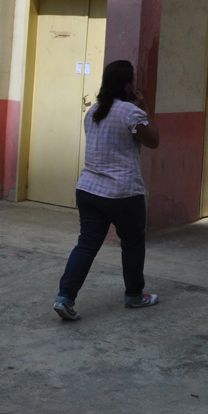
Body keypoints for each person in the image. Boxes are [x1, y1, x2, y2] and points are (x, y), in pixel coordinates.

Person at [53, 59, 160, 321]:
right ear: (127, 85)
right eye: (133, 81)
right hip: (122, 192)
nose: (136, 85)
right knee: (133, 243)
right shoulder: (130, 113)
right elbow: (154, 141)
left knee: (87, 245)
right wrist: (144, 109)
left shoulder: (94, 111)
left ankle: (64, 298)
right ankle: (135, 295)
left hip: (89, 189)